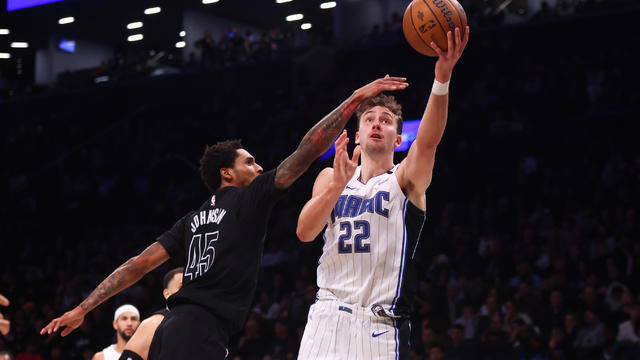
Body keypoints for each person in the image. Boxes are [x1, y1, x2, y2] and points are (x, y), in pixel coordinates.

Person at [40, 74, 409, 360]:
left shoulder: (190, 220)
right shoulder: (249, 200)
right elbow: (308, 149)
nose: (259, 165)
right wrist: (356, 99)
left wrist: (83, 307)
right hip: (200, 328)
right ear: (227, 174)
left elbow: (137, 265)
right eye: (250, 162)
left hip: (174, 326)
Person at [296, 26, 469, 359]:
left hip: (378, 326)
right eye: (369, 119)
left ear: (398, 139)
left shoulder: (405, 178)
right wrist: (336, 186)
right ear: (357, 136)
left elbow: (430, 141)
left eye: (386, 121)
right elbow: (305, 232)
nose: (376, 124)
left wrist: (442, 78)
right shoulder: (329, 177)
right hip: (326, 317)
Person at [119, 268, 183, 360]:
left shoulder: (202, 322)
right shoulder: (154, 323)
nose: (187, 292)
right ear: (167, 294)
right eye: (181, 287)